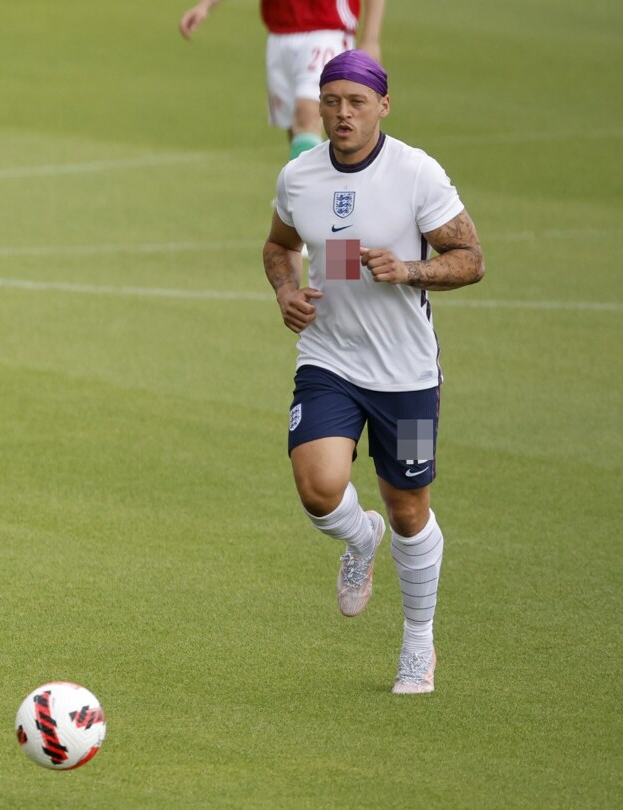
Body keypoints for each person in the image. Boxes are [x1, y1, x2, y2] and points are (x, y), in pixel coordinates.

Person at [263, 50, 485, 694]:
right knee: (318, 487)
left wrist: (410, 269)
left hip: (408, 378)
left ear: (382, 106)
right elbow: (281, 246)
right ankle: (361, 539)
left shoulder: (416, 173)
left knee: (409, 508)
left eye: (356, 103)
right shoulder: (299, 176)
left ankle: (418, 641)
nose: (342, 114)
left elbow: (470, 258)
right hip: (329, 360)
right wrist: (286, 291)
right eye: (331, 101)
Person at [179, 0, 386, 160]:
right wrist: (205, 5)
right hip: (279, 32)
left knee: (306, 115)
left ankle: (306, 193)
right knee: (295, 128)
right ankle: (309, 192)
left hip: (327, 28)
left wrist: (371, 38)